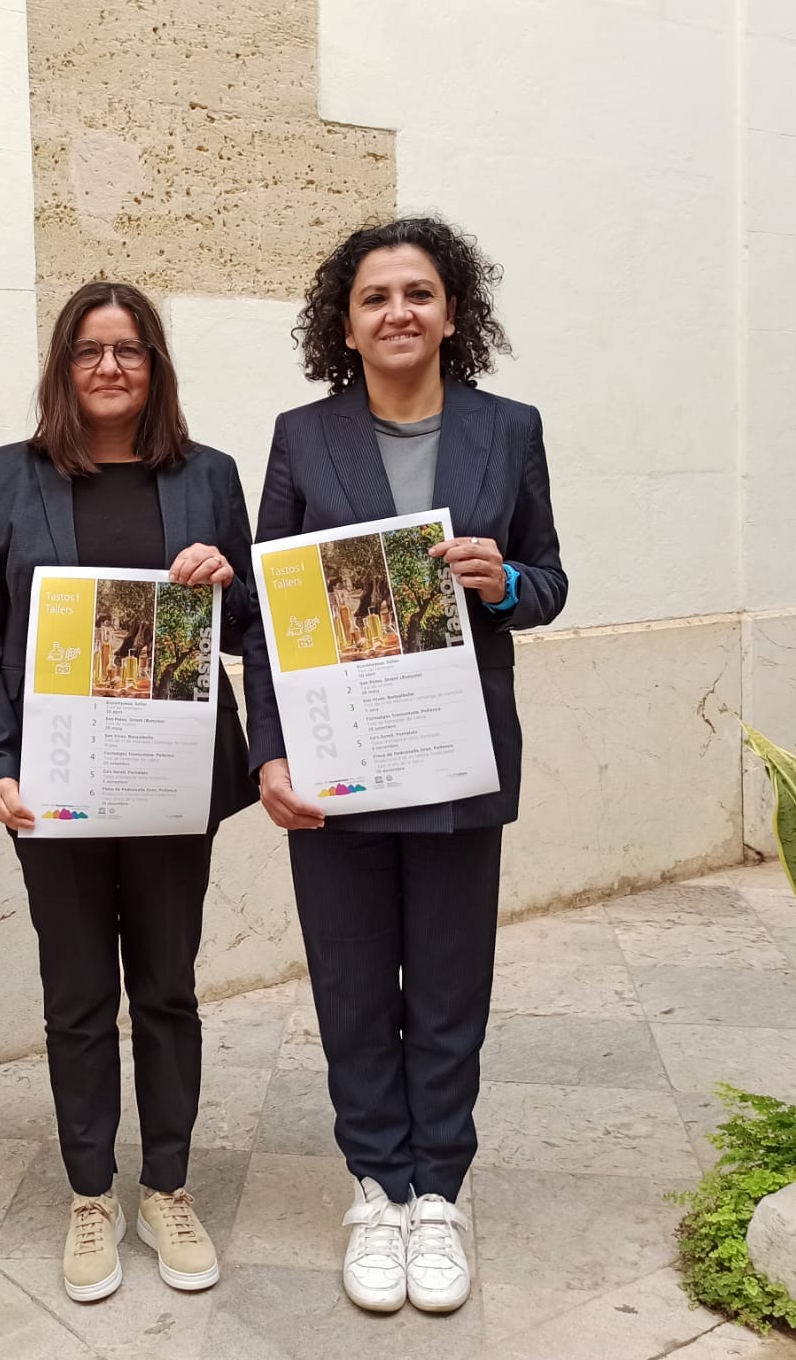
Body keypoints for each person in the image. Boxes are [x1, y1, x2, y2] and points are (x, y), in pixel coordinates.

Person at [240, 216, 567, 1314]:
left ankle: (440, 1192)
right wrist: (269, 754)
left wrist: (504, 584)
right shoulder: (299, 435)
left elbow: (550, 578)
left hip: (453, 754)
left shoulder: (506, 429)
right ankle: (375, 1187)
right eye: (374, 296)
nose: (397, 312)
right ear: (344, 321)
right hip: (335, 766)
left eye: (417, 293)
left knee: (445, 983)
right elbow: (262, 618)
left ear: (452, 312)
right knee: (346, 981)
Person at [0, 281, 261, 1303]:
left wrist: (225, 580)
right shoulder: (6, 478)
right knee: (77, 996)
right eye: (89, 350)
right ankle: (91, 1193)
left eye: (127, 349)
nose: (110, 367)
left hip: (171, 786)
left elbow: (250, 622)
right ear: (62, 366)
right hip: (52, 789)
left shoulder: (208, 477)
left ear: (154, 364)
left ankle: (167, 1183)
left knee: (166, 987)